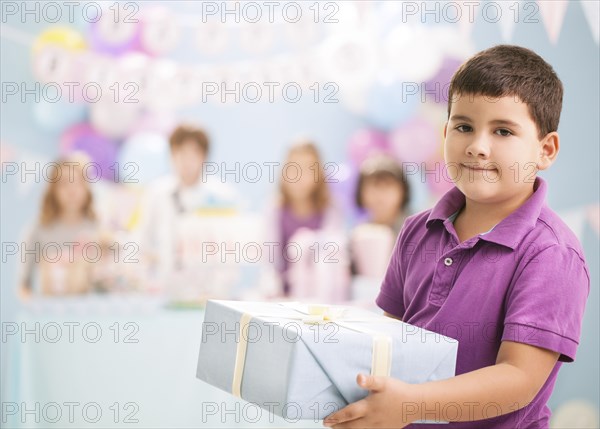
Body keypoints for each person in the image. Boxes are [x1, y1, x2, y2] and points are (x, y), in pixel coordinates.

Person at [324, 45, 590, 428]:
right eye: (464, 127)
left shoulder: (551, 252)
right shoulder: (417, 229)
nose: (478, 147)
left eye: (503, 131)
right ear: (445, 132)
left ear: (545, 150)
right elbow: (387, 343)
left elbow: (518, 379)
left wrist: (411, 404)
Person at [137, 124, 237, 285]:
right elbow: (142, 240)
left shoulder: (221, 195)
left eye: (192, 153)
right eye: (180, 153)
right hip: (166, 285)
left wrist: (220, 285)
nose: (185, 161)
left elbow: (230, 248)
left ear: (204, 156)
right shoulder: (157, 192)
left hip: (209, 286)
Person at [264, 140, 349, 301]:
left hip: (321, 296)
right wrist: (274, 292)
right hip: (282, 296)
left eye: (308, 169)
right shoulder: (275, 210)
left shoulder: (331, 209)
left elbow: (331, 258)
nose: (299, 176)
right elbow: (270, 263)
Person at [19, 155, 101, 298]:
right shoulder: (40, 229)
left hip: (89, 314)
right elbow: (24, 285)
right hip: (50, 314)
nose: (72, 190)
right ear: (53, 190)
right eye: (64, 183)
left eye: (78, 182)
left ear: (87, 188)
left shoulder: (98, 228)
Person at [351, 155, 411, 280]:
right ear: (360, 193)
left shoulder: (416, 231)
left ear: (403, 191)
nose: (380, 195)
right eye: (373, 186)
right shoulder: (358, 234)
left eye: (387, 186)